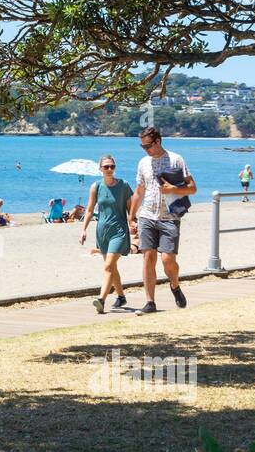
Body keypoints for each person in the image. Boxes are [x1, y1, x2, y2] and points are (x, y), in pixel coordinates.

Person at [129, 127, 196, 315]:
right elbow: (139, 191)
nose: (145, 150)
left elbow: (192, 188)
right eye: (142, 147)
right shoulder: (143, 163)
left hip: (170, 218)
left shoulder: (176, 159)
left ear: (158, 141)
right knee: (148, 258)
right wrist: (131, 215)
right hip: (147, 216)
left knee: (168, 260)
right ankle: (150, 302)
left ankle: (174, 285)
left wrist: (173, 189)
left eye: (148, 146)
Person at [78, 155, 133, 313]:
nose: (109, 169)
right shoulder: (96, 186)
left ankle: (101, 299)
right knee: (111, 266)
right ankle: (121, 296)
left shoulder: (124, 186)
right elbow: (89, 210)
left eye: (112, 166)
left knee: (108, 265)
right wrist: (83, 230)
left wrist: (134, 224)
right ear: (100, 169)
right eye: (106, 167)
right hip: (102, 232)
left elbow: (131, 209)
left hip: (119, 231)